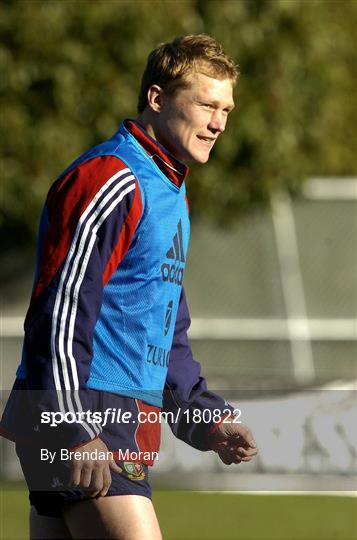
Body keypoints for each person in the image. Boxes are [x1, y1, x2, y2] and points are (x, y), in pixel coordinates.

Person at [0, 34, 258, 539]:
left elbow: (163, 329)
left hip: (112, 418)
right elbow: (62, 309)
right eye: (206, 104)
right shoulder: (111, 176)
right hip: (86, 414)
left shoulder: (170, 190)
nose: (219, 122)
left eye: (226, 108)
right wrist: (73, 427)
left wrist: (204, 417)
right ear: (158, 99)